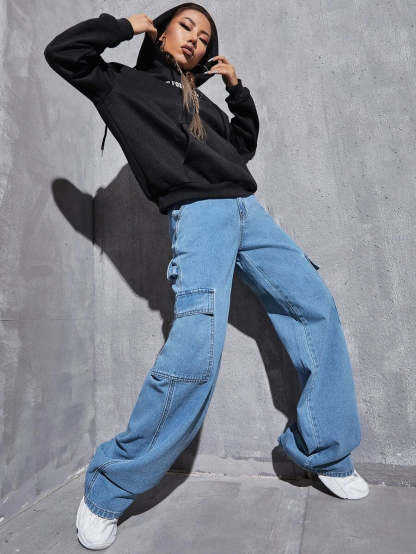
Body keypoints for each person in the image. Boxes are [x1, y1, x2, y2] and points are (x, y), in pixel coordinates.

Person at [44, 3, 369, 550]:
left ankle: (325, 451)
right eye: (186, 26)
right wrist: (124, 27)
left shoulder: (202, 103)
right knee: (198, 345)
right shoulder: (121, 86)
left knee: (315, 306)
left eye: (204, 35)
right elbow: (62, 53)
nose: (195, 38)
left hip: (247, 210)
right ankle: (109, 489)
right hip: (198, 215)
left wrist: (237, 91)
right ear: (163, 30)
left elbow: (240, 151)